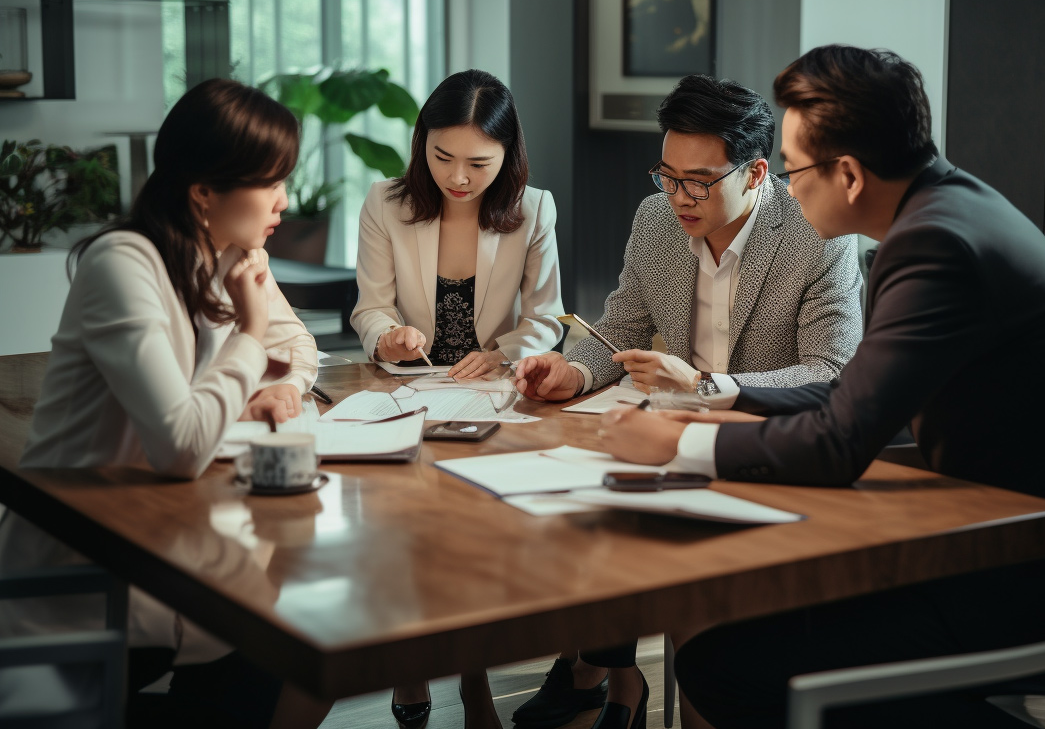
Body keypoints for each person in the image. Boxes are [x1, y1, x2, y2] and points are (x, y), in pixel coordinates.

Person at [597, 45, 1045, 729]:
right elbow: (853, 394)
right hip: (1011, 536)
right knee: (742, 625)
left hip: (1036, 578)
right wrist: (721, 398)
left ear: (849, 174)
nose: (788, 192)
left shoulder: (935, 247)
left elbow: (840, 442)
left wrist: (679, 445)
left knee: (724, 664)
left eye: (794, 172)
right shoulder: (950, 212)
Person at [511, 74, 863, 729]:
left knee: (666, 569)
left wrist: (708, 388)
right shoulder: (656, 221)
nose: (678, 197)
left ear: (757, 173)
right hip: (669, 444)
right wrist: (573, 373)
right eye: (666, 176)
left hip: (765, 452)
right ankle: (602, 676)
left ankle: (597, 676)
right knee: (579, 515)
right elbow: (617, 330)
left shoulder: (819, 235)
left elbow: (832, 372)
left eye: (698, 181)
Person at [0, 79, 328, 728]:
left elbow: (299, 351)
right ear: (204, 191)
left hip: (177, 564)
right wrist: (251, 333)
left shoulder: (231, 256)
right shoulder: (124, 265)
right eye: (269, 183)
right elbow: (180, 445)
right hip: (82, 585)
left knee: (314, 665)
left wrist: (275, 379)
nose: (284, 203)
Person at [350, 68, 564, 729]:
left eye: (479, 162)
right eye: (441, 157)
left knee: (475, 545)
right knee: (400, 535)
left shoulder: (534, 209)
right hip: (406, 394)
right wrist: (390, 338)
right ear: (421, 146)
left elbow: (548, 319)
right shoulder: (385, 203)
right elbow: (371, 309)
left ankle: (474, 683)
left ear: (508, 156)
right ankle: (410, 672)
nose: (459, 177)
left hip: (490, 398)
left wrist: (503, 352)